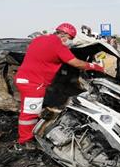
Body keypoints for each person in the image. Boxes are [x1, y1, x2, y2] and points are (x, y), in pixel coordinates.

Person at [14, 22, 105, 150]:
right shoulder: (58, 46)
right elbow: (76, 63)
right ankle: (25, 141)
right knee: (29, 114)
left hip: (23, 79)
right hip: (33, 84)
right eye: (71, 39)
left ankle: (26, 135)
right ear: (65, 36)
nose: (70, 42)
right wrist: (95, 66)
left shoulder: (39, 39)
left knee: (27, 111)